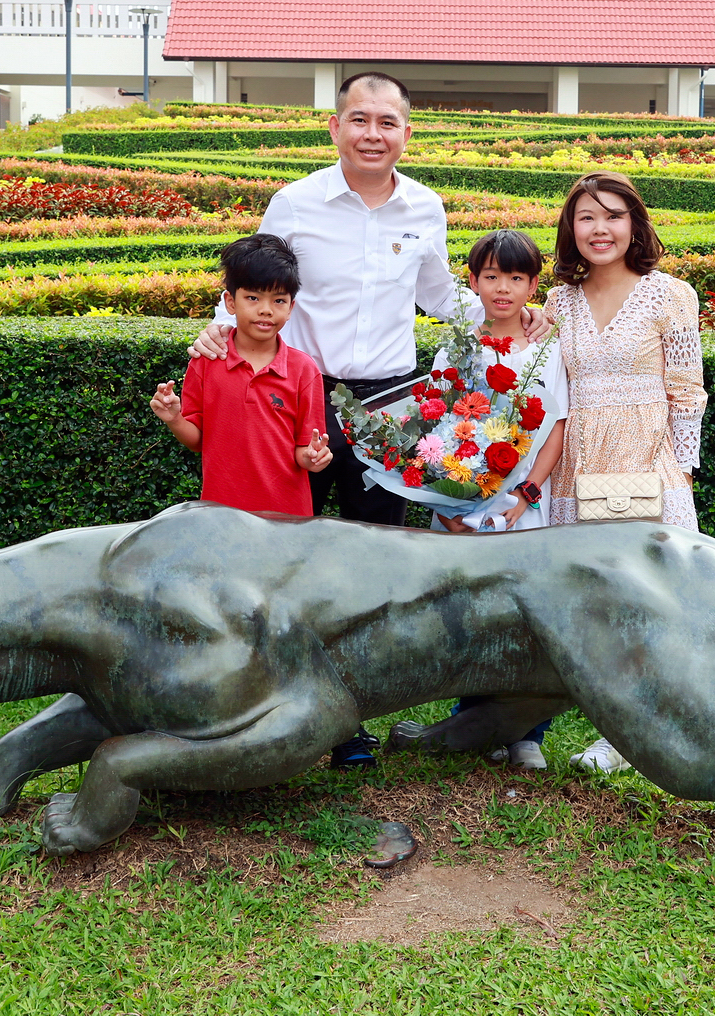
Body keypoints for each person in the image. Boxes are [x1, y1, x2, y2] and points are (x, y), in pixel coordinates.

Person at [189, 71, 549, 767]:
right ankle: (259, 704)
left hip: (387, 406)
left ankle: (350, 716)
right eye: (360, 120)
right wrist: (212, 333)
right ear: (335, 128)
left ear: (406, 134)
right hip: (291, 393)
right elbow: (252, 282)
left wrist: (509, 312)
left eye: (388, 122)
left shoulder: (424, 207)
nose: (373, 134)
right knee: (280, 554)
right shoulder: (295, 201)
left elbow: (441, 294)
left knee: (374, 562)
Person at [541, 172, 707, 775]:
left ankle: (646, 730)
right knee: (595, 603)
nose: (600, 228)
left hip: (648, 461)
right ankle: (612, 724)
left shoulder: (670, 295)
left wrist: (682, 470)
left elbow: (687, 391)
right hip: (577, 466)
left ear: (634, 223)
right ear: (571, 229)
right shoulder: (557, 302)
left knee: (655, 600)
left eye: (613, 215)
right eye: (587, 217)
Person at [428, 229, 571, 770]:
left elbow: (557, 426)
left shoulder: (547, 350)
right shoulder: (456, 348)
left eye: (516, 277)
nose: (503, 288)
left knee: (527, 612)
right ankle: (473, 719)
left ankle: (527, 733)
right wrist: (448, 506)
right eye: (491, 276)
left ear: (534, 285)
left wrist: (526, 495)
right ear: (473, 281)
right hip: (461, 503)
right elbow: (433, 426)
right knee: (471, 610)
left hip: (524, 504)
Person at [151, 234, 334, 514]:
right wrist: (174, 418)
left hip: (287, 515)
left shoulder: (303, 370)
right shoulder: (207, 362)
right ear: (230, 302)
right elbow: (197, 440)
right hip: (221, 513)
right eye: (252, 297)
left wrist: (313, 457)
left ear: (291, 307)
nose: (265, 309)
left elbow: (303, 450)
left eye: (279, 301)